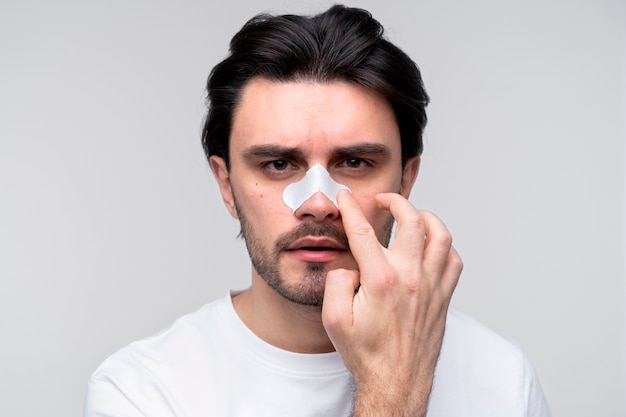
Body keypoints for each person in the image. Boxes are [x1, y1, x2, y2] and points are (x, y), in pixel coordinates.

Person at [83, 5, 552, 417]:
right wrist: (394, 395)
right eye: (278, 164)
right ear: (227, 185)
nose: (319, 204)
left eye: (354, 162)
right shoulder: (142, 391)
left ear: (405, 180)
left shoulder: (502, 379)